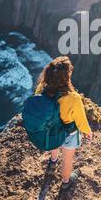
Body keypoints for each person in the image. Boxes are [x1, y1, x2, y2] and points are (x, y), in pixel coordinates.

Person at [35, 56, 92, 188]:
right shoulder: (73, 98)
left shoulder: (41, 89)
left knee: (54, 141)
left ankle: (53, 161)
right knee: (67, 161)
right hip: (68, 133)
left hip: (50, 128)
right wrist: (87, 131)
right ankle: (66, 182)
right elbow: (80, 119)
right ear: (66, 76)